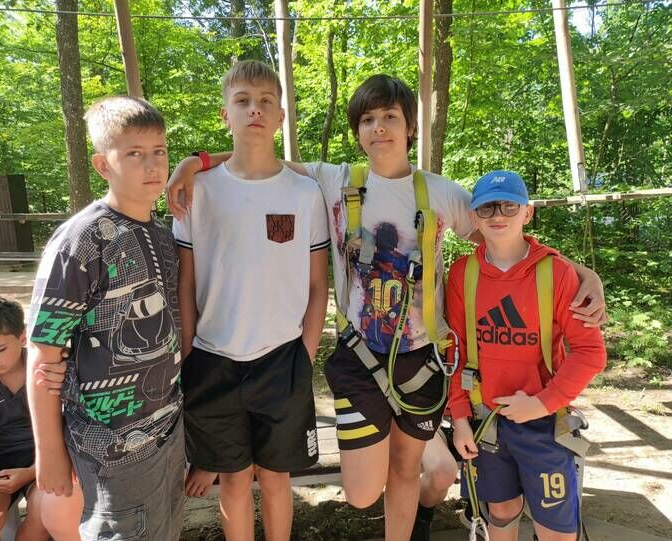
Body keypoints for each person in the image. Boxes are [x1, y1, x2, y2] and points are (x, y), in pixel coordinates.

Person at [166, 75, 607, 540]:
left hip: (423, 358)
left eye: (390, 117)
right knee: (361, 493)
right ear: (357, 131)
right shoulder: (336, 180)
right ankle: (427, 454)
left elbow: (505, 240)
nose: (379, 128)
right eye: (368, 119)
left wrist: (580, 272)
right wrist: (194, 163)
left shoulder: (440, 193)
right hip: (359, 357)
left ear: (410, 127)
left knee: (404, 469)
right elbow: (261, 159)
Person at [172, 60, 329, 541]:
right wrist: (189, 352)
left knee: (277, 480)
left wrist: (304, 355)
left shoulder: (305, 193)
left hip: (283, 359)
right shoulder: (197, 190)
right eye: (242, 101)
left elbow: (317, 284)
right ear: (226, 114)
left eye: (265, 101)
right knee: (235, 481)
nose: (254, 110)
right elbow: (185, 282)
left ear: (281, 115)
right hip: (213, 359)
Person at [26, 96, 185, 540]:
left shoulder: (161, 234)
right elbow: (43, 351)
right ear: (102, 165)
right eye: (134, 153)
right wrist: (48, 451)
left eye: (159, 151)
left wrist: (196, 163)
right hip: (111, 445)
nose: (152, 165)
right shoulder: (81, 240)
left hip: (168, 428)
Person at [447, 171, 607, 541]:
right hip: (486, 423)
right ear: (473, 217)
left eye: (509, 206)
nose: (498, 215)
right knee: (501, 511)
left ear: (527, 213)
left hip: (544, 425)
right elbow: (455, 352)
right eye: (487, 208)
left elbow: (590, 352)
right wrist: (459, 419)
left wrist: (541, 403)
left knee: (555, 527)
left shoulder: (556, 273)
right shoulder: (463, 274)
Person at [0, 297, 81, 541]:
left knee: (43, 510)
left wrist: (30, 473)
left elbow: (68, 430)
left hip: (45, 461)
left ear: (23, 337)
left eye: (0, 349)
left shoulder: (51, 368)